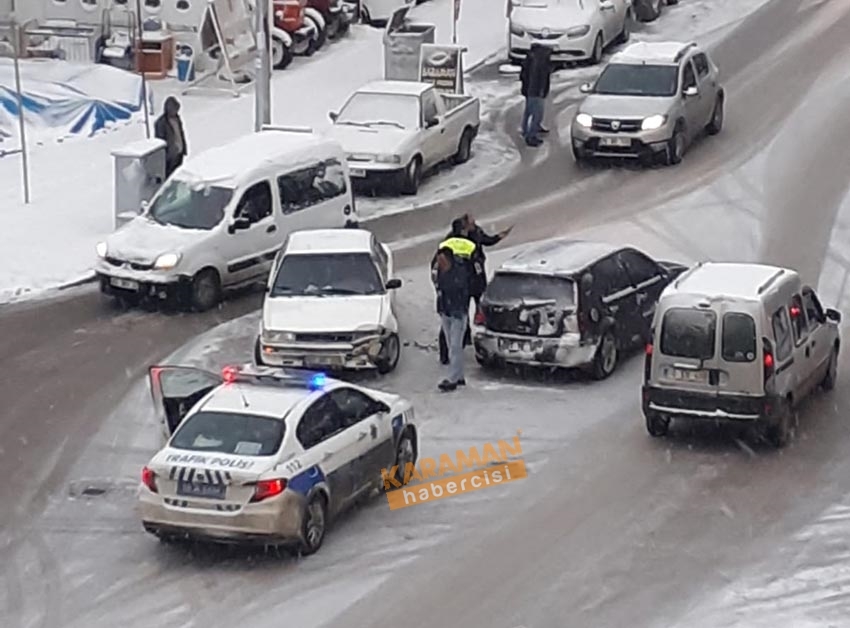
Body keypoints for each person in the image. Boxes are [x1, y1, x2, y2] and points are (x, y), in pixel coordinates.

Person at [433, 245, 473, 392]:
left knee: (456, 346)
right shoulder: (441, 272)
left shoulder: (459, 272)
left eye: (442, 260)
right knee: (452, 345)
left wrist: (460, 309)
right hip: (446, 311)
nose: (440, 264)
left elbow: (461, 290)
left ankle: (452, 379)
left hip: (457, 314)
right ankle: (459, 375)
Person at [519, 43, 552, 147]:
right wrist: (540, 91)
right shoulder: (540, 62)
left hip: (529, 90)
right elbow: (539, 77)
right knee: (537, 114)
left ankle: (526, 129)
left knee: (529, 111)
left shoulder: (531, 58)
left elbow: (524, 75)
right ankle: (531, 136)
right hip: (536, 91)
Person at [154, 96, 188, 178]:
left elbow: (181, 133)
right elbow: (160, 141)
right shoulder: (161, 122)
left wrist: (184, 148)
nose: (176, 111)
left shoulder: (177, 119)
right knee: (169, 176)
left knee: (178, 175)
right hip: (169, 156)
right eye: (175, 109)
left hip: (179, 153)